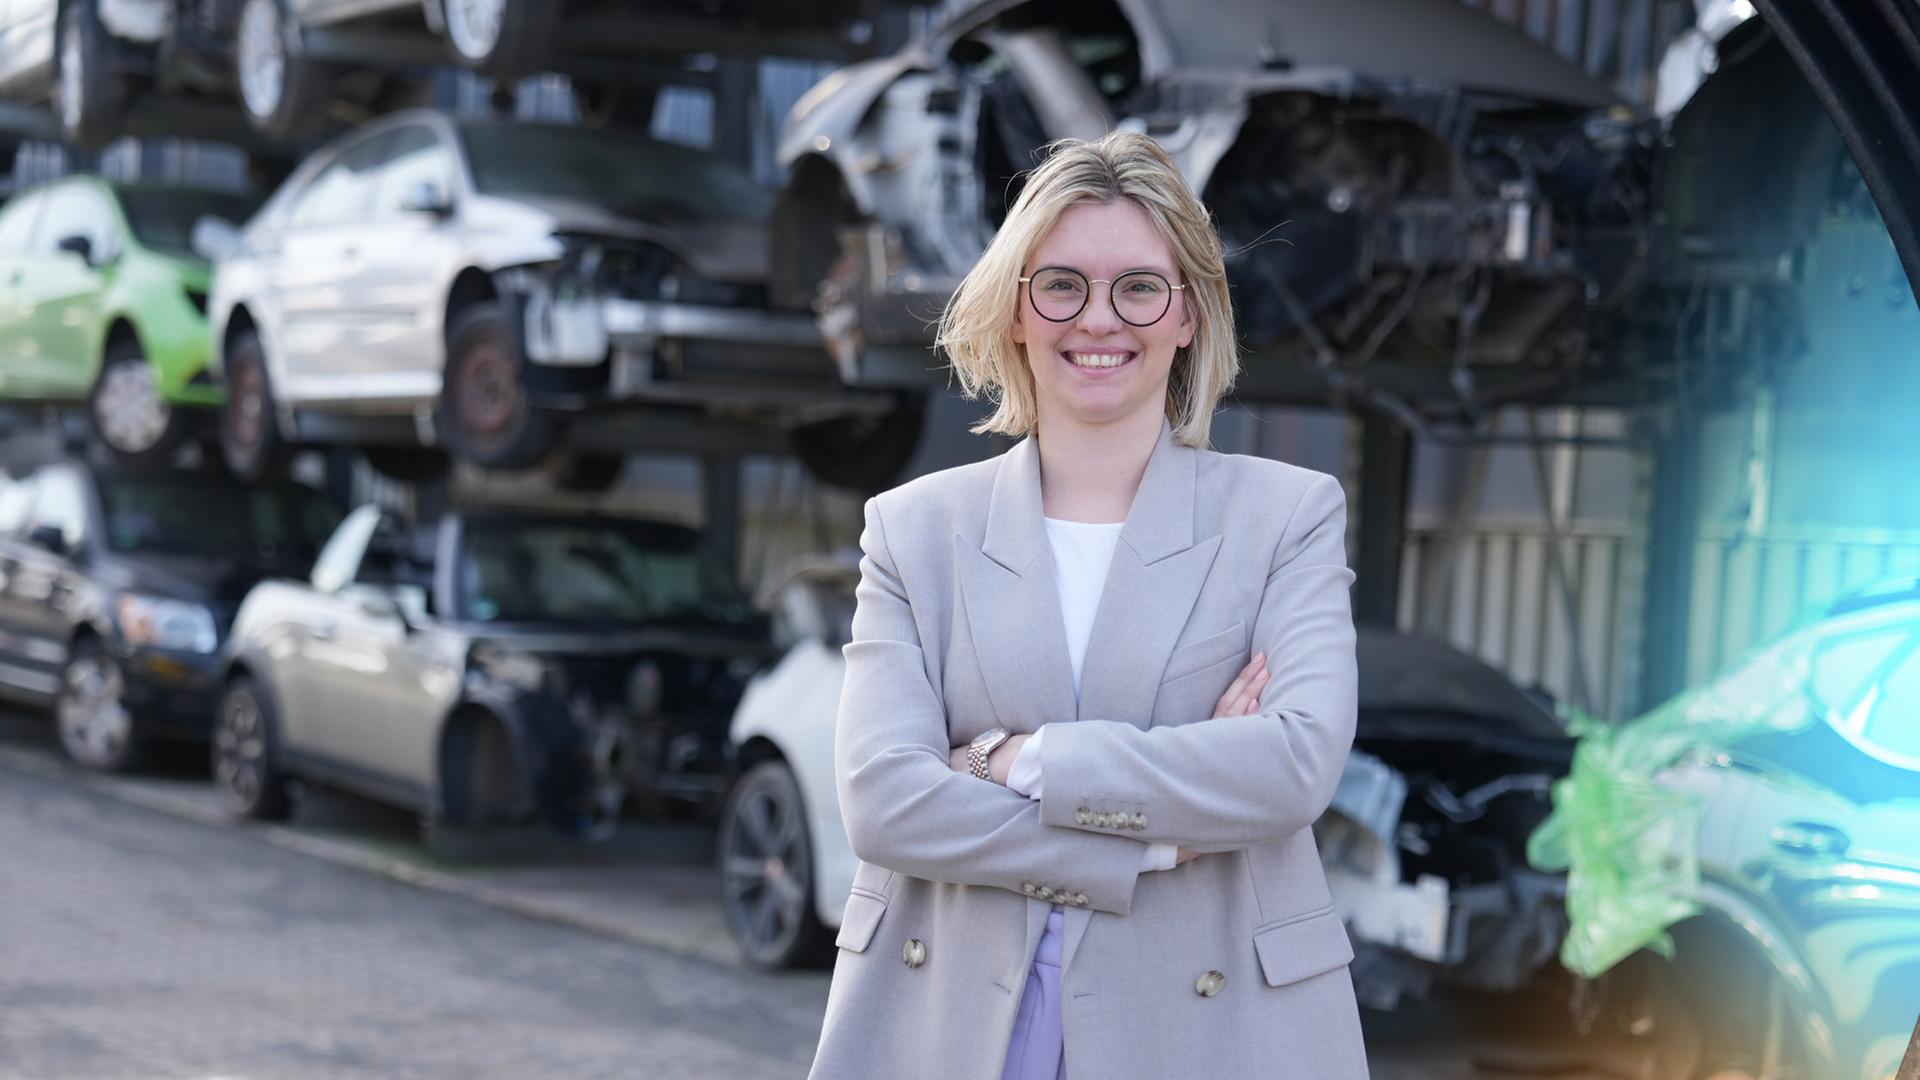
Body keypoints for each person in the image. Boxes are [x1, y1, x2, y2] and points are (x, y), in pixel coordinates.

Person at [809, 130, 1366, 1079]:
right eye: (1061, 285)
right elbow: (887, 803)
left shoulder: (1287, 516)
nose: (1099, 319)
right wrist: (1145, 842)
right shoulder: (912, 531)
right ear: (1015, 312)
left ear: (1188, 313)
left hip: (1209, 1022)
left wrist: (1012, 759)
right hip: (959, 1015)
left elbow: (1292, 766)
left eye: (1139, 287)